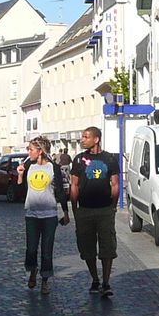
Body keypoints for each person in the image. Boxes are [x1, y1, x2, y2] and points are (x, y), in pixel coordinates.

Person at [15, 135, 71, 294]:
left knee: (47, 250)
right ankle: (32, 271)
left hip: (49, 215)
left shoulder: (53, 167)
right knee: (31, 249)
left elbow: (59, 190)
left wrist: (66, 212)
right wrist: (20, 174)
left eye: (31, 149)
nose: (28, 152)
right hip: (32, 215)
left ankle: (44, 281)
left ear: (40, 151)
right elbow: (20, 191)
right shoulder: (28, 166)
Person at [70, 126, 120, 298]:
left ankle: (106, 282)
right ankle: (95, 279)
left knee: (107, 246)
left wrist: (113, 206)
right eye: (83, 137)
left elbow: (115, 185)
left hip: (104, 209)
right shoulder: (78, 160)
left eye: (86, 137)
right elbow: (74, 185)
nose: (83, 140)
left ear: (96, 139)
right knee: (87, 246)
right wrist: (75, 208)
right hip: (85, 209)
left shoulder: (110, 159)